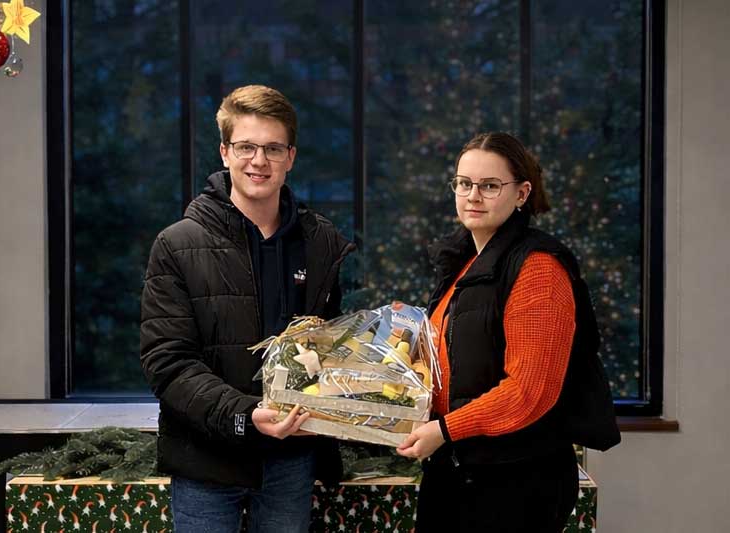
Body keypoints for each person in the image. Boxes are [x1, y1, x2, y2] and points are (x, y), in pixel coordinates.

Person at [140, 85, 354, 533]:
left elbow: (332, 347)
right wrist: (244, 415)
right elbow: (168, 362)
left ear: (290, 156)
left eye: (273, 148)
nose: (259, 161)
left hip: (291, 462)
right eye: (246, 147)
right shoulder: (178, 244)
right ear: (224, 152)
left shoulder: (321, 243)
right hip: (206, 461)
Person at [397, 132, 606, 532]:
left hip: (515, 478)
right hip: (461, 468)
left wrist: (443, 430)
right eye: (463, 183)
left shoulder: (538, 269)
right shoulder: (464, 262)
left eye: (489, 186)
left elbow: (530, 391)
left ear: (522, 193)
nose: (473, 195)